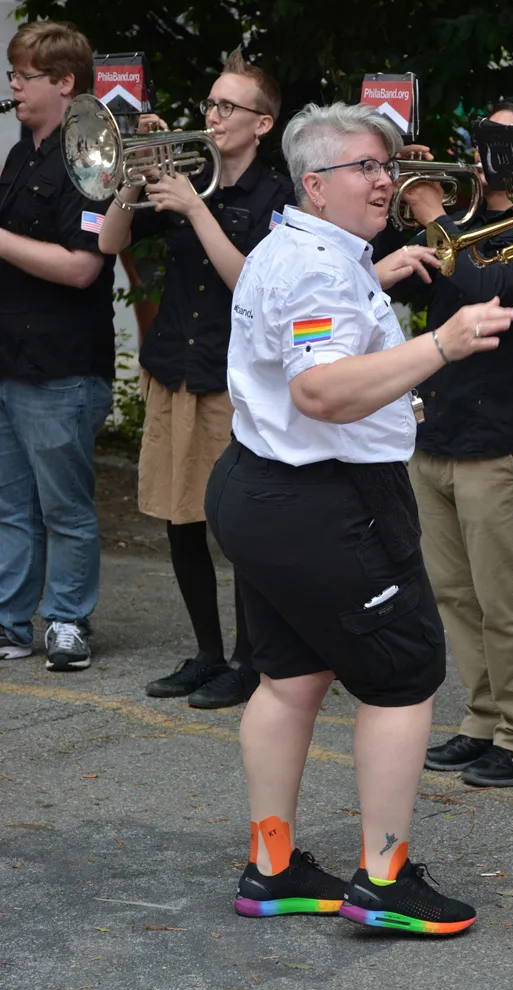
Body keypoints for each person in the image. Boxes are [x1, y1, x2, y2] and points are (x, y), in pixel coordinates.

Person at [205, 101, 513, 932]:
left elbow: (307, 341)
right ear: (314, 185)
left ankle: (272, 867)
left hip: (261, 486)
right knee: (403, 676)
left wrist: (371, 280)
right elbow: (319, 390)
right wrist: (442, 343)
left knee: (289, 678)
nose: (385, 181)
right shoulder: (317, 267)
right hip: (325, 501)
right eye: (365, 169)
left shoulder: (296, 246)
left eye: (386, 166)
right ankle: (383, 882)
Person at [99, 48, 294, 709]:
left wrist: (194, 207)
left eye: (226, 106)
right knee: (178, 519)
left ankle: (248, 661)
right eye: (209, 103)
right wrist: (133, 177)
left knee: (237, 527)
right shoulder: (185, 177)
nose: (211, 115)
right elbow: (108, 243)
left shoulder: (276, 197)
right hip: (174, 370)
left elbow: (254, 286)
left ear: (261, 124)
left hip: (231, 381)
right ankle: (208, 653)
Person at [396, 98, 513, 786]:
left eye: (507, 135)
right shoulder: (462, 217)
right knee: (453, 594)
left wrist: (431, 214)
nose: (484, 144)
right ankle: (480, 721)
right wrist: (402, 199)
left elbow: (492, 291)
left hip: (503, 442)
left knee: (503, 601)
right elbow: (390, 269)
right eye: (483, 132)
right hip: (437, 432)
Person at [0, 21, 115, 670]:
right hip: (9, 360)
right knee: (11, 508)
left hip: (61, 366)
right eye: (13, 75)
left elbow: (81, 268)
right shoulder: (21, 155)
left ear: (65, 82)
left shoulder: (91, 162)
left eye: (25, 76)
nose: (14, 86)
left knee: (64, 509)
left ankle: (68, 621)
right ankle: (10, 623)